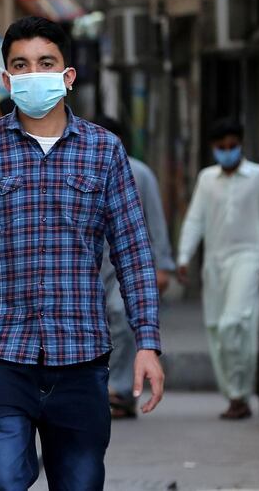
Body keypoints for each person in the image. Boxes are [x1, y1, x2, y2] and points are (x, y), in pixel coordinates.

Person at [0, 16, 165, 490]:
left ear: (67, 75)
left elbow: (134, 252)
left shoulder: (104, 151)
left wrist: (148, 343)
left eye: (46, 62)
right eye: (21, 64)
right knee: (1, 479)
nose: (33, 72)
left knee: (80, 483)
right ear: (6, 78)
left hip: (81, 357)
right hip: (3, 355)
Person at [177, 117, 259, 420]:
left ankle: (242, 391)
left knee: (235, 324)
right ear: (213, 149)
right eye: (221, 147)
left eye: (232, 146)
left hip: (249, 258)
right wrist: (185, 256)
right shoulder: (206, 179)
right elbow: (196, 220)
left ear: (241, 145)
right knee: (216, 327)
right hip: (215, 263)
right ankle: (233, 395)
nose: (227, 152)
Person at [95, 115, 175, 418]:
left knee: (124, 317)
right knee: (101, 325)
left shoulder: (139, 173)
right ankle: (105, 389)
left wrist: (163, 266)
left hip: (126, 262)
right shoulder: (81, 166)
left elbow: (155, 221)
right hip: (91, 263)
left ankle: (119, 389)